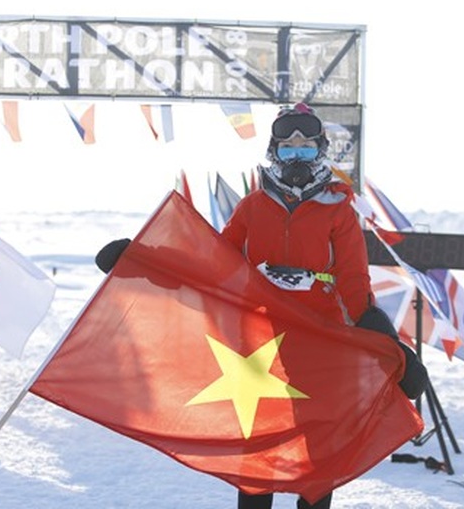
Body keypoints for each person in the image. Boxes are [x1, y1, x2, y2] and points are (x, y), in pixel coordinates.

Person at [95, 102, 427, 509]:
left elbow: (355, 288)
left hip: (319, 348)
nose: (297, 154)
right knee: (260, 449)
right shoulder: (253, 206)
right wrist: (142, 258)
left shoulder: (337, 210)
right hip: (261, 344)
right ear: (274, 152)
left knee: (318, 448)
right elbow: (213, 262)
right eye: (288, 147)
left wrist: (394, 350)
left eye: (306, 147)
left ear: (321, 150)